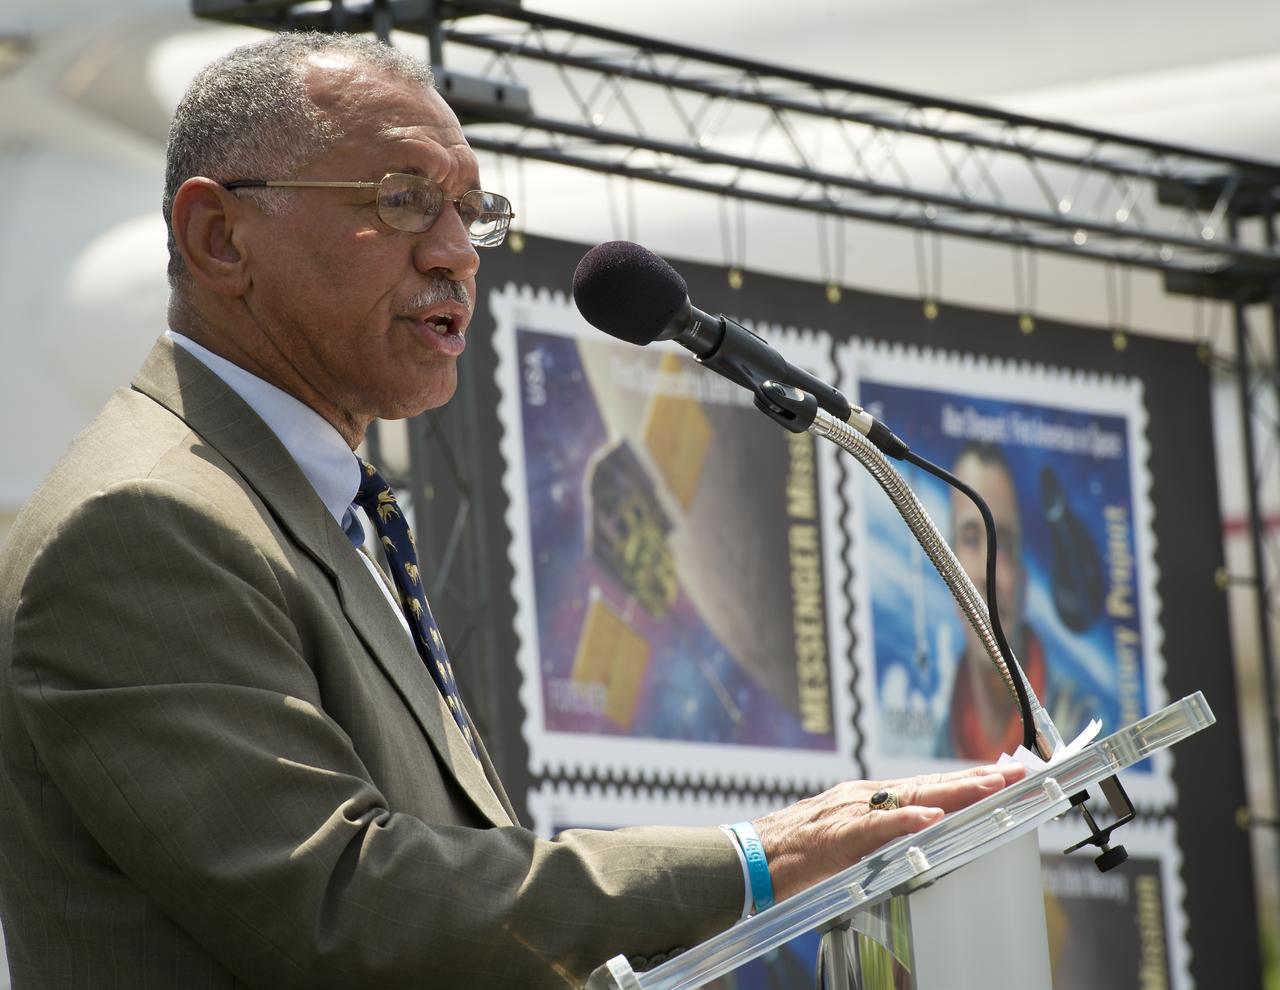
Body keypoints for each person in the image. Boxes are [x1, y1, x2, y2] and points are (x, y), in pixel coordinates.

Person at [0, 32, 1022, 988]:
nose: (456, 253)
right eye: (402, 200)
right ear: (218, 237)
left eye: (470, 212)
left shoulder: (298, 500)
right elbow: (339, 900)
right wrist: (756, 861)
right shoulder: (142, 522)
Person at [939, 442, 1048, 759]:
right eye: (971, 539)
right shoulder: (933, 748)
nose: (988, 575)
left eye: (1004, 542)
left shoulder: (1083, 723)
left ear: (1025, 577)